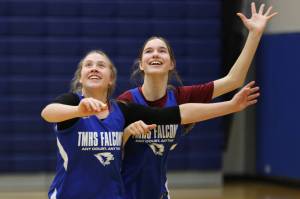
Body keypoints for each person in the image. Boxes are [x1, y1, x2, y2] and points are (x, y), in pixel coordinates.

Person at [41, 50, 259, 199]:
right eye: (88, 65)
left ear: (111, 79)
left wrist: (231, 106)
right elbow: (48, 113)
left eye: (101, 65)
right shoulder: (71, 102)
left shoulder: (122, 110)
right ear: (81, 77)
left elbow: (180, 113)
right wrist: (78, 111)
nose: (94, 68)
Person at [117, 2, 277, 199]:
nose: (155, 54)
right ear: (141, 64)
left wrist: (255, 34)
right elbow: (111, 150)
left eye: (162, 50)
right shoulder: (127, 101)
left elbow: (233, 80)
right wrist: (126, 133)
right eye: (149, 51)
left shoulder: (180, 97)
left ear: (171, 63)